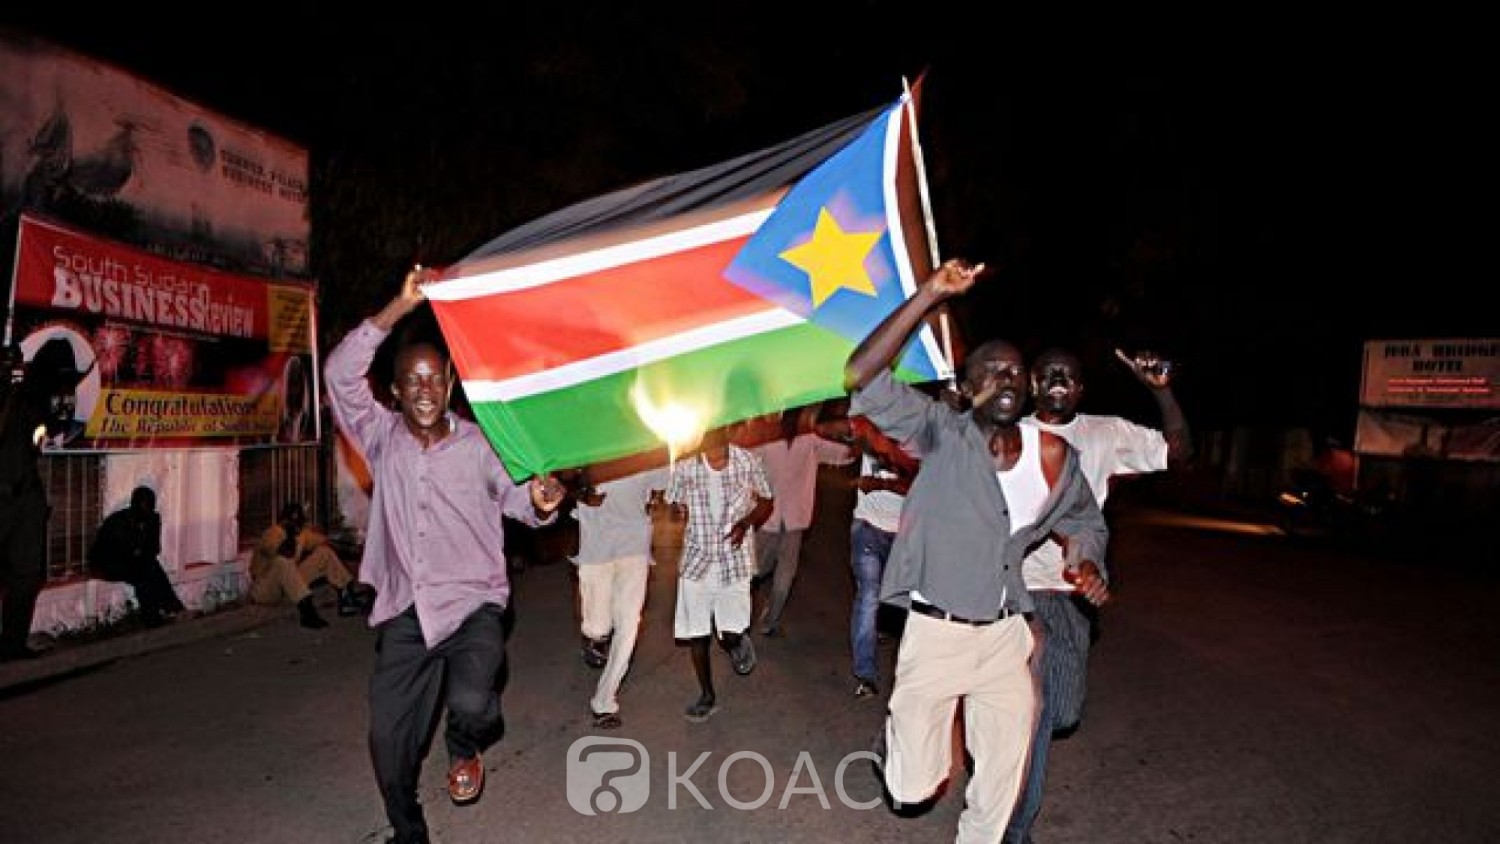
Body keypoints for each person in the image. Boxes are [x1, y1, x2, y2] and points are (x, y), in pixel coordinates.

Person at [844, 258, 1110, 844]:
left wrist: (1085, 561)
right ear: (966, 390)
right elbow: (861, 375)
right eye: (991, 371)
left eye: (1016, 370)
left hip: (1005, 636)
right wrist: (929, 295)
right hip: (936, 635)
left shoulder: (1053, 459)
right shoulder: (940, 433)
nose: (1007, 378)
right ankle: (898, 745)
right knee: (914, 787)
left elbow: (1086, 520)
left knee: (1000, 784)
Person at [324, 266, 566, 844]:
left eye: (435, 379)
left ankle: (465, 748)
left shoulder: (482, 446)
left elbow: (523, 503)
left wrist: (543, 499)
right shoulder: (380, 438)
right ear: (397, 390)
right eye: (413, 381)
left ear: (452, 383)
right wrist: (397, 310)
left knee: (473, 699)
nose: (425, 391)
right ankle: (410, 832)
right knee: (388, 742)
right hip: (407, 610)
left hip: (474, 605)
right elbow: (338, 373)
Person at [1003, 345, 1191, 844]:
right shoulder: (1008, 434)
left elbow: (1178, 454)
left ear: (1082, 389)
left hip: (1070, 593)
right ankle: (1014, 828)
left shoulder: (1104, 432)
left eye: (1069, 374)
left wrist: (1162, 394)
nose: (1058, 380)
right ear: (1032, 385)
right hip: (1013, 591)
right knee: (1036, 712)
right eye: (1047, 374)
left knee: (1061, 711)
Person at [665, 423, 773, 723]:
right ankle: (707, 696)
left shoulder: (748, 461)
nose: (714, 457)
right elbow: (672, 504)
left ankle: (736, 640)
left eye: (719, 449)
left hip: (733, 559)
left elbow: (766, 499)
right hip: (697, 561)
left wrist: (746, 522)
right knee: (698, 633)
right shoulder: (685, 467)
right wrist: (678, 511)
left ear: (728, 437)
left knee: (728, 633)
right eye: (708, 449)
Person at [821, 412, 917, 698]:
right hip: (868, 527)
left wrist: (881, 485)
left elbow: (920, 485)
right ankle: (866, 673)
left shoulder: (917, 441)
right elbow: (835, 428)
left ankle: (909, 678)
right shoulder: (870, 428)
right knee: (869, 596)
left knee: (906, 604)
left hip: (905, 534)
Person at [570, 462, 669, 730]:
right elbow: (565, 483)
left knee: (628, 626)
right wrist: (580, 490)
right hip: (596, 548)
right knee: (597, 626)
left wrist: (655, 500)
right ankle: (593, 637)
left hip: (634, 545)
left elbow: (662, 486)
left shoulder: (646, 448)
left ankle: (604, 701)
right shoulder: (586, 450)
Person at [748, 405, 855, 637]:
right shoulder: (809, 441)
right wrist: (852, 438)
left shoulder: (776, 440)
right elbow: (843, 455)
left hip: (773, 518)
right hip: (788, 519)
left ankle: (750, 619)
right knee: (779, 573)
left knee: (759, 570)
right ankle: (767, 621)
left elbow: (746, 463)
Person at [0, 342, 52, 661]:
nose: (14, 372)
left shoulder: (26, 400)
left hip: (25, 497)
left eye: (16, 365)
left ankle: (12, 643)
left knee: (27, 574)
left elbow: (39, 437)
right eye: (8, 366)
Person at [249, 501, 363, 629]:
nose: (297, 526)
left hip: (288, 586)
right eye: (293, 522)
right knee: (282, 562)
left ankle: (347, 597)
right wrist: (288, 533)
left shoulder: (302, 534)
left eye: (299, 522)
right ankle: (307, 611)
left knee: (324, 553)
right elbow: (283, 552)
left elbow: (327, 542)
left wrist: (356, 552)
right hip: (266, 589)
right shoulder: (272, 533)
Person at [88, 485, 187, 628]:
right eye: (143, 506)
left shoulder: (153, 519)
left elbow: (154, 548)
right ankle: (167, 611)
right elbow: (121, 551)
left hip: (136, 562)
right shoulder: (118, 521)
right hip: (107, 563)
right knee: (144, 569)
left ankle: (156, 616)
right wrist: (139, 551)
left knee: (147, 568)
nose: (147, 510)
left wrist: (139, 551)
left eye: (149, 506)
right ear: (134, 505)